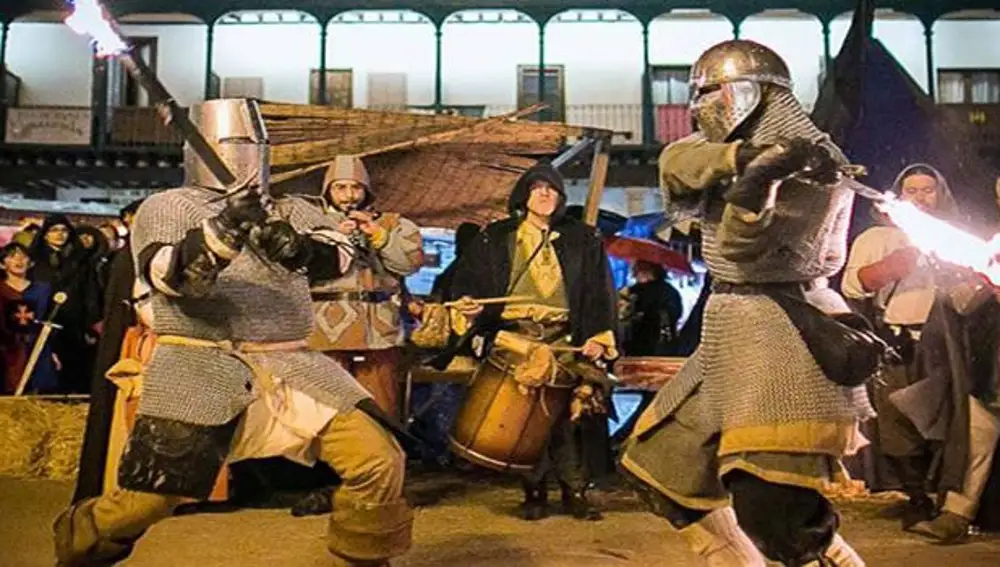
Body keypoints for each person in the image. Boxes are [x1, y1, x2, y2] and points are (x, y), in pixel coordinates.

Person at [54, 99, 413, 567]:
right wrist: (222, 231)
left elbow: (340, 253)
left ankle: (365, 560)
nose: (243, 158)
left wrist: (295, 246)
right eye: (232, 147)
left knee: (379, 461)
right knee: (150, 500)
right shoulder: (167, 208)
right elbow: (169, 278)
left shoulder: (293, 209)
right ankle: (80, 543)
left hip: (294, 367)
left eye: (252, 148)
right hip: (202, 366)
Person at [619, 40, 872, 566]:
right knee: (661, 468)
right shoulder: (734, 146)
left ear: (749, 94)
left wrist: (763, 179)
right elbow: (677, 161)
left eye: (710, 93)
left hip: (783, 336)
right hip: (732, 333)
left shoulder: (816, 167)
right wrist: (742, 157)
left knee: (777, 509)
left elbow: (743, 251)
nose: (698, 105)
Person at [448, 162, 618, 521]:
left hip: (564, 340)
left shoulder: (582, 238)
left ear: (559, 197)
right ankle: (535, 491)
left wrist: (598, 338)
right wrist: (470, 304)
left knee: (569, 417)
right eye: (537, 188)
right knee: (525, 417)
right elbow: (467, 281)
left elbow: (600, 293)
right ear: (523, 196)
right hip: (514, 339)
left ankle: (575, 491)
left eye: (552, 189)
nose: (544, 194)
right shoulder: (495, 237)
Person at [841, 163, 961, 528]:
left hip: (947, 344)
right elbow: (853, 286)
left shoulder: (954, 235)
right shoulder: (875, 238)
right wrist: (895, 265)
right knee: (898, 422)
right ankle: (916, 496)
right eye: (912, 190)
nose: (921, 197)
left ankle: (947, 497)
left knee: (947, 422)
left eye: (928, 189)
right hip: (900, 341)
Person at [306, 155, 425, 418]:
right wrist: (334, 237)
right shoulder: (309, 225)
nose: (349, 195)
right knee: (325, 411)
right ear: (328, 190)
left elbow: (410, 265)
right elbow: (299, 268)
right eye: (341, 187)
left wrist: (380, 237)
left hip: (379, 335)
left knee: (380, 410)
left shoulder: (394, 224)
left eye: (356, 187)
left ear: (366, 190)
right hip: (326, 333)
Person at [0, 242, 59, 394]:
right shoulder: (2, 290)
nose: (19, 260)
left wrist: (52, 351)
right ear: (2, 264)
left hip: (36, 347)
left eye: (23, 256)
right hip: (6, 349)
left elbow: (47, 321)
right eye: (12, 257)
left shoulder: (42, 290)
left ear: (31, 262)